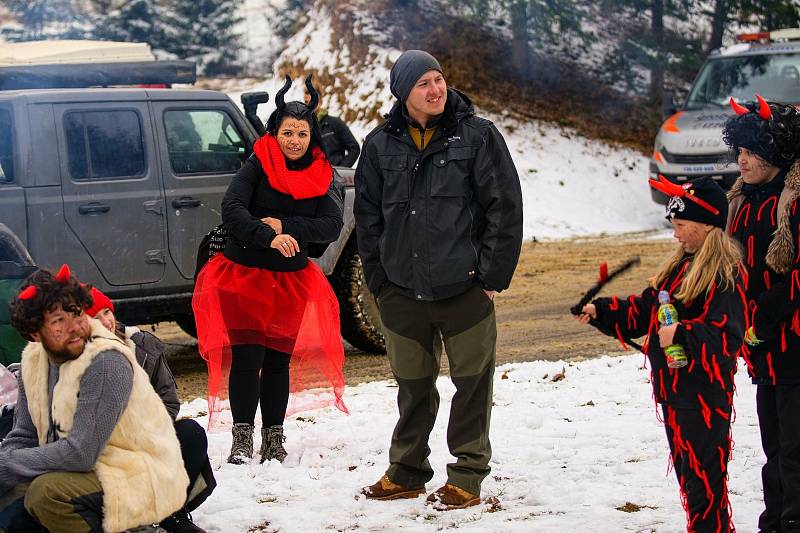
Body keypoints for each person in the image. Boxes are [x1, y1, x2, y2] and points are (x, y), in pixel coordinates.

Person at [354, 50, 523, 510]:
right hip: (402, 293)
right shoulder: (379, 145)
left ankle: (467, 475)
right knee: (412, 387)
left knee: (472, 387)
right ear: (403, 93)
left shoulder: (477, 137)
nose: (436, 89)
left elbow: (504, 209)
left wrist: (491, 277)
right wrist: (380, 281)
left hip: (463, 289)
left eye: (439, 79)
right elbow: (367, 219)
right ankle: (406, 472)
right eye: (423, 83)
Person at [192, 75, 348, 465]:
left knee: (278, 361)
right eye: (287, 132)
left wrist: (286, 226)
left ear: (312, 136)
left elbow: (330, 225)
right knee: (247, 359)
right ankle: (241, 438)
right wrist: (267, 235)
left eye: (302, 133)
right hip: (244, 274)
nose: (294, 140)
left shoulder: (323, 173)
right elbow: (232, 211)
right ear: (274, 133)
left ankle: (273, 438)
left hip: (291, 280)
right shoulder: (257, 163)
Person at [576, 176, 745, 532]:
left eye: (682, 225)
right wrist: (602, 311)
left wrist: (681, 333)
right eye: (674, 226)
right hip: (675, 391)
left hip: (704, 396)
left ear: (707, 224)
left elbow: (726, 336)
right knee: (689, 477)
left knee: (704, 480)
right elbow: (645, 309)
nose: (676, 234)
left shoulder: (723, 273)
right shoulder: (680, 268)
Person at [0, 265, 188, 532]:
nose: (75, 327)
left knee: (46, 493)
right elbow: (24, 436)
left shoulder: (104, 361)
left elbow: (80, 453)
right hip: (74, 469)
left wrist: (7, 465)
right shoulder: (33, 363)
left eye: (76, 314)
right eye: (58, 322)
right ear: (34, 333)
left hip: (136, 472)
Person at [723, 95, 800, 533]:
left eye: (751, 152)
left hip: (794, 339)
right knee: (773, 440)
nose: (743, 160)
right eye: (740, 152)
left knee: (795, 442)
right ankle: (776, 517)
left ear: (776, 152)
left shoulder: (793, 201)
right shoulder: (741, 201)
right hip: (761, 347)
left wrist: (769, 311)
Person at [86, 287, 214, 533]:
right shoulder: (78, 359)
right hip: (104, 448)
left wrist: (145, 432)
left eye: (106, 312)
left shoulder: (141, 346)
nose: (105, 321)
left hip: (147, 434)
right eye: (95, 317)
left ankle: (171, 511)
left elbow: (169, 400)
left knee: (190, 434)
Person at [303, 90, 360, 167]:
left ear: (320, 102)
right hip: (310, 176)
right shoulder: (302, 127)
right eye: (306, 102)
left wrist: (341, 169)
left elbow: (354, 149)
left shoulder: (335, 123)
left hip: (333, 176)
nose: (310, 105)